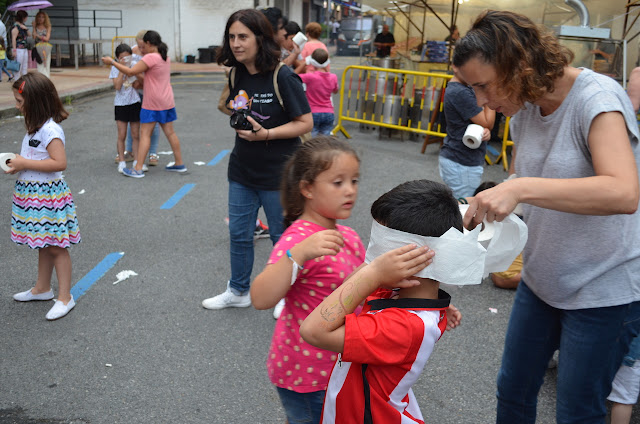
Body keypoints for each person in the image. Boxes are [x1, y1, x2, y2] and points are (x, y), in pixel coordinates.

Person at [455, 10, 640, 423]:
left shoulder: (597, 98)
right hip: (541, 280)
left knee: (578, 412)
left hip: (602, 289)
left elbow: (624, 192)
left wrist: (519, 188)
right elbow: (526, 178)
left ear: (519, 64)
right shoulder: (522, 106)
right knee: (513, 392)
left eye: (483, 85)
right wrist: (482, 208)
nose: (481, 102)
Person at [300, 179, 461, 423]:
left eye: (381, 245)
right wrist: (375, 270)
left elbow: (313, 331)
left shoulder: (404, 326)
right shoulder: (400, 294)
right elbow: (351, 287)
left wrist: (374, 273)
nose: (373, 255)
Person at [201, 9, 312, 310]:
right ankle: (238, 291)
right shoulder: (236, 73)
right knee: (239, 234)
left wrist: (267, 134)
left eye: (243, 37)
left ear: (260, 39)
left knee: (282, 239)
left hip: (279, 173)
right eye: (232, 37)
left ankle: (286, 295)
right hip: (242, 171)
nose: (236, 43)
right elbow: (240, 109)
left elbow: (305, 123)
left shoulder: (282, 75)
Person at [250, 136, 364, 424]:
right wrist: (297, 255)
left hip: (341, 363)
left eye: (354, 180)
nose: (350, 190)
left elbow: (365, 285)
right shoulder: (298, 240)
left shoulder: (348, 235)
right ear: (307, 189)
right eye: (338, 182)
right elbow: (261, 298)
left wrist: (420, 303)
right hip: (308, 372)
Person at [7, 73, 81, 321]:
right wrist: (19, 166)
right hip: (35, 196)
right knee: (43, 243)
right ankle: (42, 288)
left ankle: (65, 297)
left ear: (35, 101)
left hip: (47, 197)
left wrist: (23, 162)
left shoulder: (51, 130)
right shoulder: (34, 128)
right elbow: (37, 160)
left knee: (56, 246)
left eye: (20, 101)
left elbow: (60, 163)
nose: (17, 106)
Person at [101, 30, 186, 178]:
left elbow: (130, 71)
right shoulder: (164, 56)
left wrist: (112, 62)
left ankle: (138, 168)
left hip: (152, 101)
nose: (141, 50)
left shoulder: (151, 57)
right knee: (170, 132)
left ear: (148, 43)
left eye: (142, 47)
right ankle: (179, 163)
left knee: (145, 134)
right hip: (167, 100)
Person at [439, 64, 495, 198]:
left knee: (459, 204)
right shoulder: (460, 92)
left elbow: (482, 123)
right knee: (464, 208)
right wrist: (489, 95)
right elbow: (488, 122)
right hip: (462, 162)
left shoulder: (463, 88)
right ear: (455, 67)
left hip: (457, 158)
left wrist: (485, 130)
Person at [110, 43, 141, 174]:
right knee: (121, 134)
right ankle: (122, 161)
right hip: (120, 104)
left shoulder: (134, 66)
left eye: (128, 57)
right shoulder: (115, 68)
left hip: (134, 102)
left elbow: (138, 84)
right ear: (117, 58)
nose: (126, 60)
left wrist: (132, 73)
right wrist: (123, 71)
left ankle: (137, 161)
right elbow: (117, 86)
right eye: (122, 58)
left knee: (135, 134)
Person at [299, 49, 338, 136]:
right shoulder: (333, 77)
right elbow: (335, 91)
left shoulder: (310, 77)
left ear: (312, 61)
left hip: (313, 112)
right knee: (324, 143)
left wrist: (304, 63)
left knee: (312, 141)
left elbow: (293, 76)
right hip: (329, 112)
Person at [32, 11, 52, 78]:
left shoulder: (47, 27)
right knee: (40, 64)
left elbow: (47, 38)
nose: (41, 19)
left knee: (46, 64)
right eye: (39, 17)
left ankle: (47, 78)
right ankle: (42, 78)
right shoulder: (36, 26)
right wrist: (34, 27)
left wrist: (38, 35)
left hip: (45, 47)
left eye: (43, 17)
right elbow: (34, 37)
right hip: (38, 47)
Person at [11, 10, 30, 78]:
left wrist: (26, 29)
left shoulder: (23, 25)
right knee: (18, 67)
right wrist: (14, 50)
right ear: (23, 17)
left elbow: (29, 34)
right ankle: (17, 80)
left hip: (24, 48)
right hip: (19, 49)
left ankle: (24, 81)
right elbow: (13, 39)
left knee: (25, 66)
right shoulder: (16, 26)